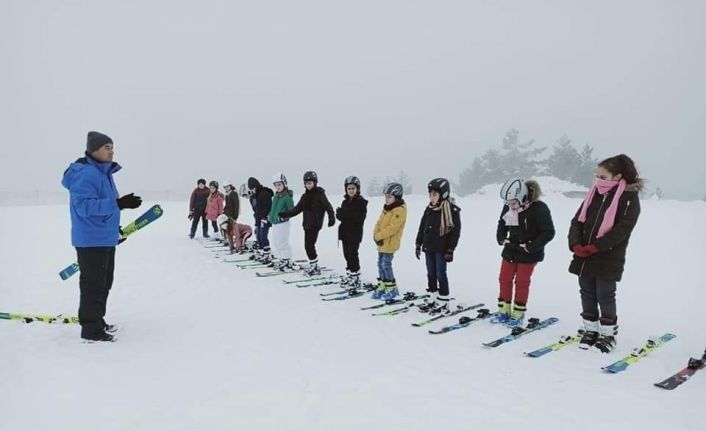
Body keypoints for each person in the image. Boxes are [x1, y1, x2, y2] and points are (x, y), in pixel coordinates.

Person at [61, 131, 142, 342]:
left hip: (103, 237)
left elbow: (105, 210)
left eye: (112, 147)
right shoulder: (86, 174)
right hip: (90, 240)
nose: (112, 151)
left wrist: (114, 229)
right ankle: (90, 330)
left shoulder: (103, 173)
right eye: (107, 147)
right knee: (93, 285)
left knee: (105, 283)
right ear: (93, 149)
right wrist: (118, 203)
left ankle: (98, 320)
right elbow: (84, 207)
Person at [568, 154, 642, 353]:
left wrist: (597, 246)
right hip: (584, 254)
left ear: (618, 176)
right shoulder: (594, 194)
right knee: (587, 291)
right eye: (596, 175)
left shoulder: (628, 198)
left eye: (603, 176)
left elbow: (623, 229)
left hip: (608, 254)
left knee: (605, 294)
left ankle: (608, 334)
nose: (598, 180)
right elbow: (577, 221)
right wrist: (575, 244)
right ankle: (590, 330)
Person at [492, 178, 555, 327]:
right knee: (504, 279)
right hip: (510, 249)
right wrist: (501, 238)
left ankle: (518, 314)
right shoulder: (509, 206)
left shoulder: (539, 209)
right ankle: (504, 311)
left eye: (513, 203)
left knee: (521, 282)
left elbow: (549, 232)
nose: (510, 207)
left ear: (523, 198)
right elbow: (502, 223)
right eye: (507, 204)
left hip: (529, 253)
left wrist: (531, 246)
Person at [415, 178, 462, 313]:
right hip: (429, 247)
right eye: (430, 194)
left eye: (434, 194)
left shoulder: (452, 210)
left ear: (443, 194)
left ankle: (444, 299)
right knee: (431, 273)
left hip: (442, 249)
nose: (431, 197)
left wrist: (451, 249)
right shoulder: (429, 209)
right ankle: (433, 296)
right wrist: (418, 243)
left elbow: (455, 232)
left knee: (441, 273)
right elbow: (422, 227)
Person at [278, 171, 335, 276]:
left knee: (309, 245)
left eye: (310, 183)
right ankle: (314, 264)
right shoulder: (305, 196)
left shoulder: (320, 194)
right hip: (307, 224)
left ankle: (315, 266)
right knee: (308, 245)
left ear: (315, 183)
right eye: (306, 183)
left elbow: (328, 206)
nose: (308, 185)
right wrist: (285, 214)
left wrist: (332, 218)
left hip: (315, 224)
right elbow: (297, 209)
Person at [371, 182, 407, 300]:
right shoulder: (386, 208)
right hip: (382, 242)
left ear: (396, 197)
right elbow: (379, 222)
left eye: (389, 197)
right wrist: (375, 234)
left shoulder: (399, 210)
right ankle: (383, 285)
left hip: (390, 243)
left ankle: (392, 288)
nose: (386, 199)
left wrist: (380, 236)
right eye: (386, 196)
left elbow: (393, 228)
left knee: (386, 264)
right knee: (380, 264)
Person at [336, 176, 368, 288]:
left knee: (352, 254)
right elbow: (343, 216)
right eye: (349, 188)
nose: (351, 190)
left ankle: (355, 277)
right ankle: (350, 274)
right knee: (346, 255)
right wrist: (340, 215)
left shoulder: (361, 203)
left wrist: (343, 215)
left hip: (354, 233)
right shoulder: (345, 202)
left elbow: (357, 218)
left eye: (353, 188)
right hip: (345, 233)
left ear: (358, 189)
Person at [268, 173, 295, 270]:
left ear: (284, 184)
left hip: (283, 223)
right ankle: (283, 258)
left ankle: (287, 259)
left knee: (282, 242)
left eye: (279, 184)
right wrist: (270, 216)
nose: (277, 187)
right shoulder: (276, 196)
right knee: (276, 242)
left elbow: (291, 211)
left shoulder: (287, 197)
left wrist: (283, 218)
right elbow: (273, 209)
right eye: (276, 185)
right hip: (275, 223)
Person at [247, 177, 274, 263]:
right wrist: (251, 197)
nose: (253, 190)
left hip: (265, 218)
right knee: (258, 235)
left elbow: (268, 207)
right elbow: (255, 208)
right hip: (258, 219)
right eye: (251, 188)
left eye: (253, 188)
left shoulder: (264, 193)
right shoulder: (254, 196)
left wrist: (265, 217)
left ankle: (267, 254)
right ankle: (263, 253)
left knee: (263, 236)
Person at [221, 180, 241, 252]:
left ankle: (238, 247)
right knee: (228, 231)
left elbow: (236, 206)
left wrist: (235, 216)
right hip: (227, 215)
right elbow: (227, 205)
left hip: (232, 216)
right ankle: (231, 246)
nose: (226, 188)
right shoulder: (227, 194)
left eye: (227, 187)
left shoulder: (234, 194)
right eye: (225, 187)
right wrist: (224, 212)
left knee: (235, 232)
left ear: (230, 186)